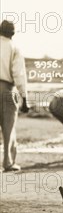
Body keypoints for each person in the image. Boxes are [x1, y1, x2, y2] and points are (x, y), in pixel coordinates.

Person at [0, 20, 29, 172]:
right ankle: (7, 162)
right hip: (6, 88)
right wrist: (24, 97)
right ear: (13, 32)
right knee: (8, 128)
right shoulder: (14, 48)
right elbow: (18, 74)